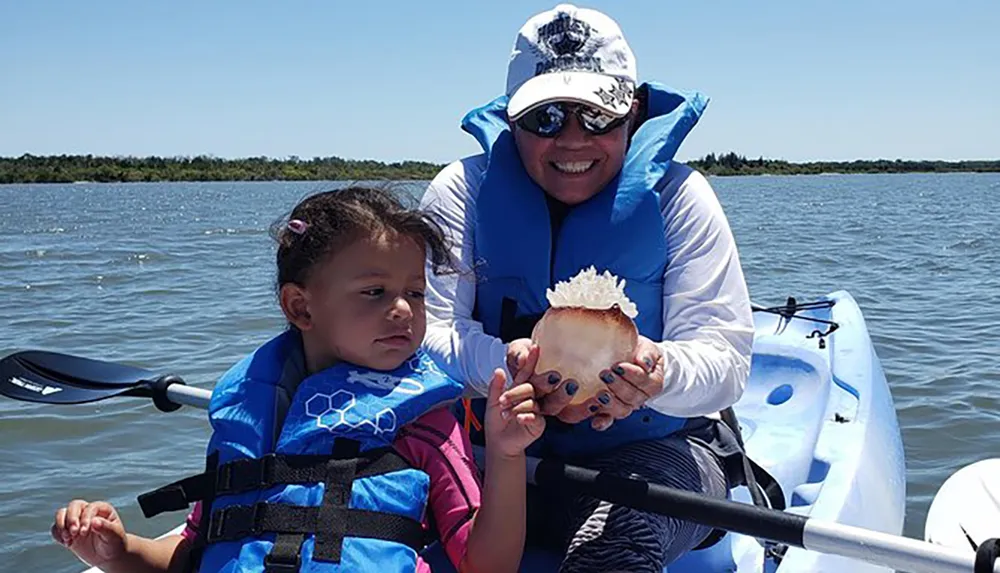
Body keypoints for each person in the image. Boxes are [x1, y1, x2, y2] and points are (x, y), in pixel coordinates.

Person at [51, 187, 545, 573]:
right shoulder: (247, 413)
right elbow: (192, 556)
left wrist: (504, 453)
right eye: (375, 292)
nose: (403, 310)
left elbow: (487, 564)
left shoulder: (426, 421)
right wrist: (118, 553)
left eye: (415, 293)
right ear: (300, 306)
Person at [420, 4, 754, 572]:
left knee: (617, 545)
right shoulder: (461, 192)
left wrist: (655, 374)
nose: (573, 140)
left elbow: (726, 360)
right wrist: (507, 370)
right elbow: (429, 331)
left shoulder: (682, 197)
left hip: (656, 454)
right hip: (493, 456)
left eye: (598, 115)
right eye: (546, 117)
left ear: (634, 110)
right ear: (511, 119)